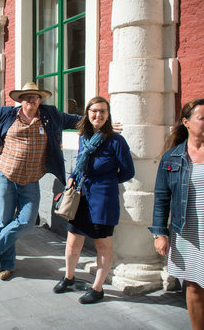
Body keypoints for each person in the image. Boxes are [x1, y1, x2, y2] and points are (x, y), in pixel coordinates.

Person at [0, 82, 81, 280]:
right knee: (6, 220)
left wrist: (99, 120)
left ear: (40, 99)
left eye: (35, 96)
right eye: (26, 97)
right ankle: (7, 265)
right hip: (5, 175)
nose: (31, 100)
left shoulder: (51, 115)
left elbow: (75, 120)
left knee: (27, 220)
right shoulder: (7, 114)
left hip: (31, 178)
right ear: (20, 100)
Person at [52, 96, 134, 304]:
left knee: (102, 244)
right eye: (94, 111)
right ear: (87, 114)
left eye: (103, 112)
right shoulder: (84, 137)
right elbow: (81, 162)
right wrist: (73, 177)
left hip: (103, 201)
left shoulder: (116, 141)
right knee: (72, 241)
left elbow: (127, 172)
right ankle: (69, 277)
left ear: (108, 115)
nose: (98, 115)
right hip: (81, 197)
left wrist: (105, 182)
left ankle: (97, 288)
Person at [150, 98, 204, 329]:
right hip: (188, 230)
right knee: (193, 285)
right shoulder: (171, 157)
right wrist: (160, 234)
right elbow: (161, 198)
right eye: (202, 118)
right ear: (186, 122)